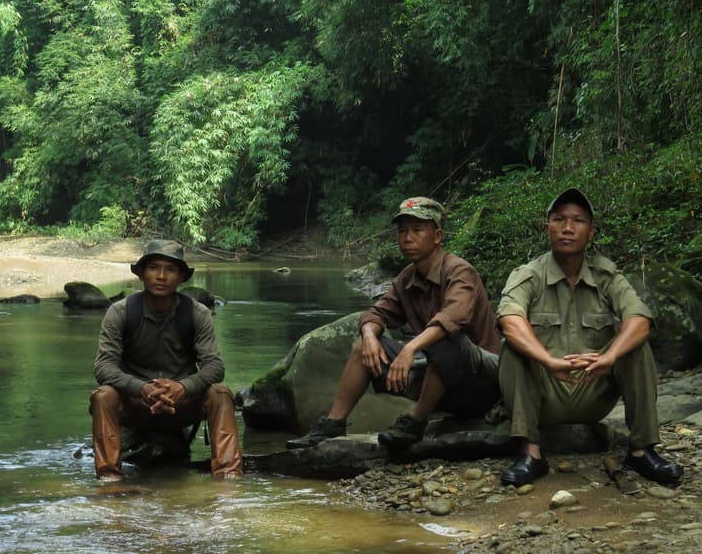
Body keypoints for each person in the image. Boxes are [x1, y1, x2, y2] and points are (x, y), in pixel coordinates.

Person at [496, 188, 683, 486]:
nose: (568, 228)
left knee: (636, 343)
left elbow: (640, 318)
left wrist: (609, 357)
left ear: (591, 231)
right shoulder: (528, 275)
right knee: (512, 347)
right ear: (547, 228)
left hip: (593, 388)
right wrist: (547, 361)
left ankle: (641, 451)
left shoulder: (606, 275)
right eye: (559, 219)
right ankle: (531, 453)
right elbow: (509, 318)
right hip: (545, 393)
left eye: (578, 221)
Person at [286, 196, 501, 450]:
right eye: (402, 231)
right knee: (362, 348)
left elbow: (453, 318)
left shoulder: (459, 271)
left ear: (437, 236)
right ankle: (333, 424)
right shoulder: (406, 279)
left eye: (417, 230)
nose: (407, 238)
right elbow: (374, 315)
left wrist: (409, 350)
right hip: (441, 379)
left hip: (482, 382)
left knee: (446, 341)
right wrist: (369, 338)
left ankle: (415, 423)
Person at [89, 239, 243, 481]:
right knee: (103, 396)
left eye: (170, 270)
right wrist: (142, 388)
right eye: (154, 268)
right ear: (141, 273)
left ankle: (228, 477)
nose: (161, 276)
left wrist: (183, 387)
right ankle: (109, 479)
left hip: (181, 404)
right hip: (136, 404)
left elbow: (215, 367)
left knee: (220, 394)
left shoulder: (197, 313)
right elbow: (103, 367)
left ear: (182, 277)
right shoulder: (120, 312)